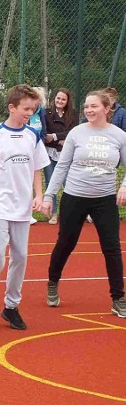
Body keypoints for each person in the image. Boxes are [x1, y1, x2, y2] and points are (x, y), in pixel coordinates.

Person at [0, 84, 49, 332]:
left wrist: (39, 194)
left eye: (33, 110)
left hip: (22, 206)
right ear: (11, 107)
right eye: (26, 109)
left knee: (21, 257)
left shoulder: (33, 135)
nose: (29, 113)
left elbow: (37, 168)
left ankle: (11, 307)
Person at [41, 90, 126, 319]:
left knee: (112, 247)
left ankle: (118, 298)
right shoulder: (77, 133)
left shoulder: (119, 135)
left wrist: (124, 186)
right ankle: (52, 281)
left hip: (105, 199)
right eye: (86, 106)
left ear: (107, 109)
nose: (89, 110)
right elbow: (62, 166)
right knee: (66, 242)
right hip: (74, 197)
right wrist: (49, 195)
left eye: (94, 106)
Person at [42, 88, 79, 225]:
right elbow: (46, 134)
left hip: (66, 154)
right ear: (54, 98)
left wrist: (56, 137)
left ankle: (71, 213)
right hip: (50, 154)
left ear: (67, 101)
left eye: (63, 99)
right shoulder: (47, 113)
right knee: (51, 182)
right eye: (58, 98)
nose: (60, 101)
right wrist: (59, 139)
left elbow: (73, 131)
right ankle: (53, 213)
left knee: (69, 184)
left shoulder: (73, 114)